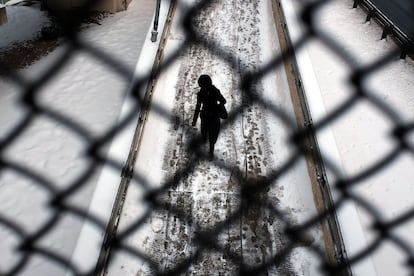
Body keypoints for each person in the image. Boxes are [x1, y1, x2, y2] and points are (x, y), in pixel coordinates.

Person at [192, 74, 227, 160]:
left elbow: (198, 107)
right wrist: (219, 106)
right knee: (213, 136)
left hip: (205, 117)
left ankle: (203, 147)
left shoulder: (200, 94)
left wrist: (194, 120)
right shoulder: (215, 91)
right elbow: (223, 101)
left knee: (204, 135)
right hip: (215, 116)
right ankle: (211, 153)